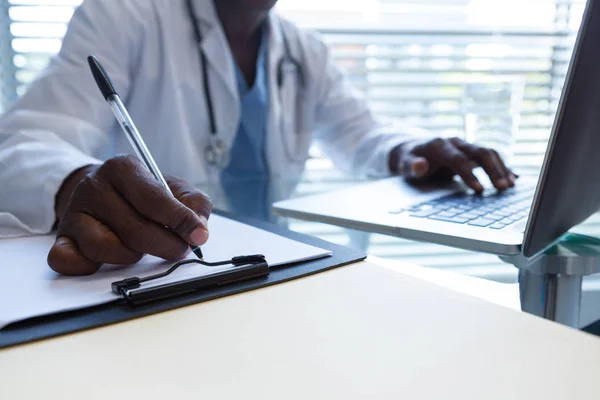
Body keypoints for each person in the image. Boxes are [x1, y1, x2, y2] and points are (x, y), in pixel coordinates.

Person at [0, 0, 516, 276]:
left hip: (277, 266)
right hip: (167, 272)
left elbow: (362, 134)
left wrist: (410, 152)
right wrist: (78, 182)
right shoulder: (124, 15)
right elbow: (24, 141)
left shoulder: (302, 48)